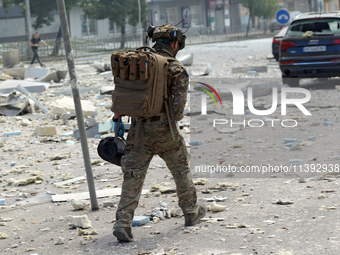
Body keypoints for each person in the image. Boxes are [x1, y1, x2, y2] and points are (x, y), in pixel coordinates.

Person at [112, 24, 207, 242]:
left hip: (138, 131)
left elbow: (122, 94)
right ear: (175, 44)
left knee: (133, 176)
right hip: (166, 132)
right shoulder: (176, 69)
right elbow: (178, 111)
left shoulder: (138, 63)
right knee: (181, 169)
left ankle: (123, 222)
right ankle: (191, 211)